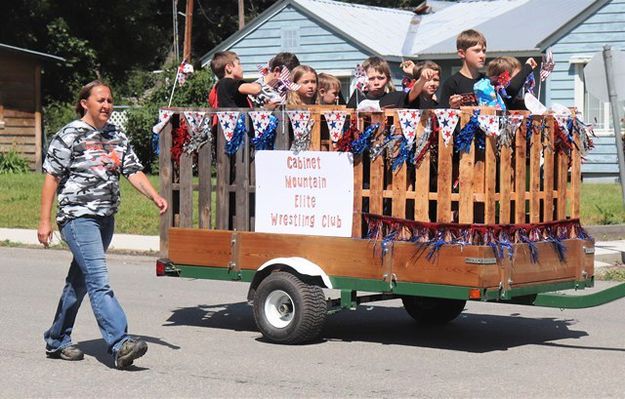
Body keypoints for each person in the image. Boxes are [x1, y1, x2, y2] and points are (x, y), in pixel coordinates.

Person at [38, 80, 168, 370]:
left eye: (110, 100)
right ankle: (120, 343)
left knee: (78, 283)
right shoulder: (69, 134)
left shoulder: (115, 134)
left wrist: (154, 195)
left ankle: (57, 339)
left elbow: (132, 170)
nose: (107, 105)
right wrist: (44, 220)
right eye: (101, 100)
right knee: (99, 280)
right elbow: (52, 177)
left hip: (105, 219)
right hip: (77, 217)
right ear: (85, 103)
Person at [347, 56, 435, 110]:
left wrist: (419, 77)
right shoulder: (358, 98)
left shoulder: (395, 98)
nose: (376, 82)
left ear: (388, 79)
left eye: (381, 78)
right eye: (371, 78)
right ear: (363, 79)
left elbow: (415, 92)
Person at [438, 29, 487, 108]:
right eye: (477, 51)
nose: (482, 55)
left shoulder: (488, 82)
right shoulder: (452, 83)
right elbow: (443, 114)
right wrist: (452, 107)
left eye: (484, 51)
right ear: (462, 53)